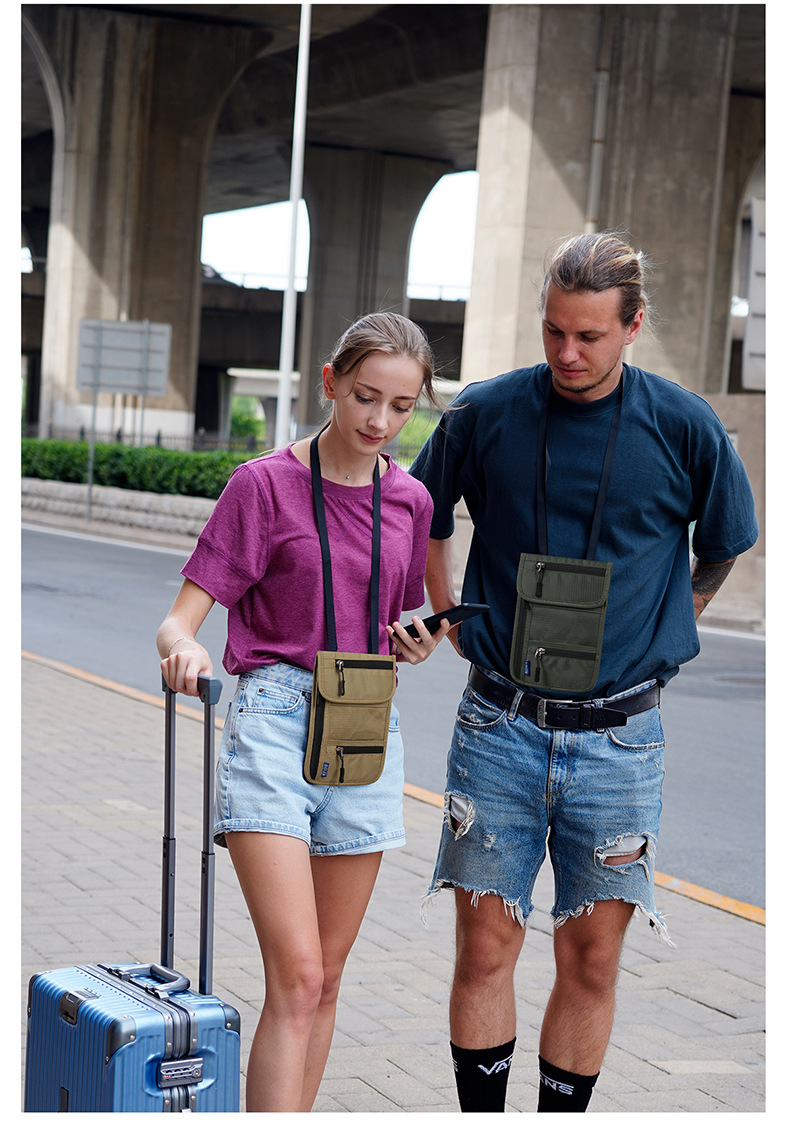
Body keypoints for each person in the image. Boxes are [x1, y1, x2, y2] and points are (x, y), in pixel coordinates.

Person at [409, 232, 759, 1114]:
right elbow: (420, 511)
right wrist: (445, 608)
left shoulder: (684, 425)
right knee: (485, 950)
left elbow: (724, 542)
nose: (567, 352)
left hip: (620, 739)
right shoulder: (484, 412)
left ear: (632, 327)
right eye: (554, 330)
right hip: (499, 727)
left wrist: (671, 620)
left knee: (592, 959)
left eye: (590, 336)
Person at [157, 312, 450, 1112]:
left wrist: (414, 644)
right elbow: (178, 620)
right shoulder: (261, 486)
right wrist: (186, 652)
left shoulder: (412, 501)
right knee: (299, 973)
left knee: (328, 978)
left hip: (365, 726)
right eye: (365, 397)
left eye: (401, 407)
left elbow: (388, 621)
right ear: (330, 382)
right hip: (274, 723)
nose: (380, 421)